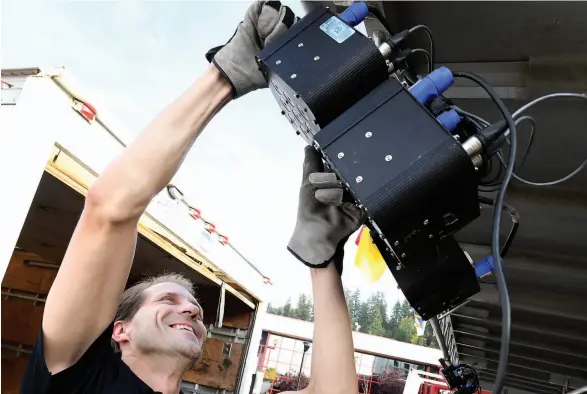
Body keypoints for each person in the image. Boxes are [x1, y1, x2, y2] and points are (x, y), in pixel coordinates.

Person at [20, 2, 364, 394]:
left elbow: (111, 210)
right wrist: (325, 256)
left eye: (185, 304)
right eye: (173, 300)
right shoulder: (74, 375)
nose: (192, 310)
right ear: (120, 331)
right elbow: (108, 211)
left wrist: (320, 260)